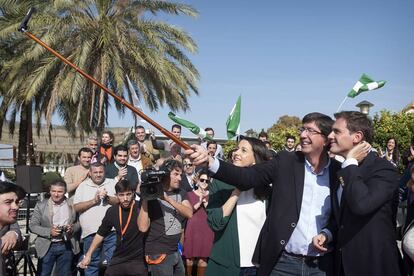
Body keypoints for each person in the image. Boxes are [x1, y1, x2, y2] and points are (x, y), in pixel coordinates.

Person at [187, 112, 338, 276]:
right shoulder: (286, 162)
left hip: (321, 266)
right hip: (284, 264)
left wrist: (327, 234)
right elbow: (246, 176)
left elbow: (341, 217)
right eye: (302, 129)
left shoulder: (338, 172)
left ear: (326, 138)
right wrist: (210, 161)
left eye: (310, 130)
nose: (302, 135)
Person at [314, 111, 402, 276]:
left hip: (373, 265)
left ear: (357, 137)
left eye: (337, 131)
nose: (330, 136)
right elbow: (344, 217)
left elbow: (361, 204)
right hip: (342, 266)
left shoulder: (383, 169)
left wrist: (350, 163)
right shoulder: (343, 170)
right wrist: (328, 233)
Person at [205, 137, 271, 275]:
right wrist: (237, 191)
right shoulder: (219, 183)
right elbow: (215, 223)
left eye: (243, 150)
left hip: (257, 267)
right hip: (227, 266)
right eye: (236, 148)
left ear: (255, 158)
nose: (236, 153)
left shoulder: (268, 189)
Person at [79, 179, 147, 275]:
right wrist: (89, 255)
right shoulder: (112, 211)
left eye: (128, 194)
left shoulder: (141, 207)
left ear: (133, 193)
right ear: (116, 195)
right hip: (118, 258)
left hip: (138, 259)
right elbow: (100, 233)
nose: (125, 198)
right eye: (121, 195)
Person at [138, 159, 193, 276]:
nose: (179, 178)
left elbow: (189, 213)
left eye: (181, 175)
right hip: (158, 252)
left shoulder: (181, 192)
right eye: (176, 174)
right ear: (166, 174)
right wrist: (145, 198)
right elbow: (142, 228)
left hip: (175, 250)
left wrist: (168, 199)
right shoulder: (152, 193)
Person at [73, 162, 118, 276]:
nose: (98, 175)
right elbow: (77, 207)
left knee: (113, 262)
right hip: (91, 232)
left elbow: (121, 201)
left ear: (104, 172)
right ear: (90, 173)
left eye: (101, 172)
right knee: (91, 263)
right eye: (95, 172)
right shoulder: (83, 186)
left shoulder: (112, 183)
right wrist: (94, 201)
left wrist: (108, 198)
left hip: (111, 231)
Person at [29, 179, 80, 276]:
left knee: (64, 274)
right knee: (43, 274)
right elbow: (33, 225)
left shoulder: (72, 204)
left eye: (60, 192)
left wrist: (72, 228)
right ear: (50, 191)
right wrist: (49, 231)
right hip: (47, 246)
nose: (56, 194)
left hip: (66, 245)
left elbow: (78, 223)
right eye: (53, 191)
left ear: (65, 192)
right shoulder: (41, 205)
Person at [183, 168, 214, 276]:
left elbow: (215, 214)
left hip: (207, 230)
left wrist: (206, 204)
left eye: (207, 181)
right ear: (197, 180)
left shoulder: (213, 195)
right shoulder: (188, 194)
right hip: (192, 230)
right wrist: (198, 203)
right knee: (189, 259)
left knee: (203, 259)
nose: (204, 183)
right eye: (202, 180)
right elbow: (187, 211)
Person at [0, 181, 25, 276]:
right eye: (8, 202)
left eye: (17, 202)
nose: (16, 207)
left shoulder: (10, 221)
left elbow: (16, 229)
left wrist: (13, 234)